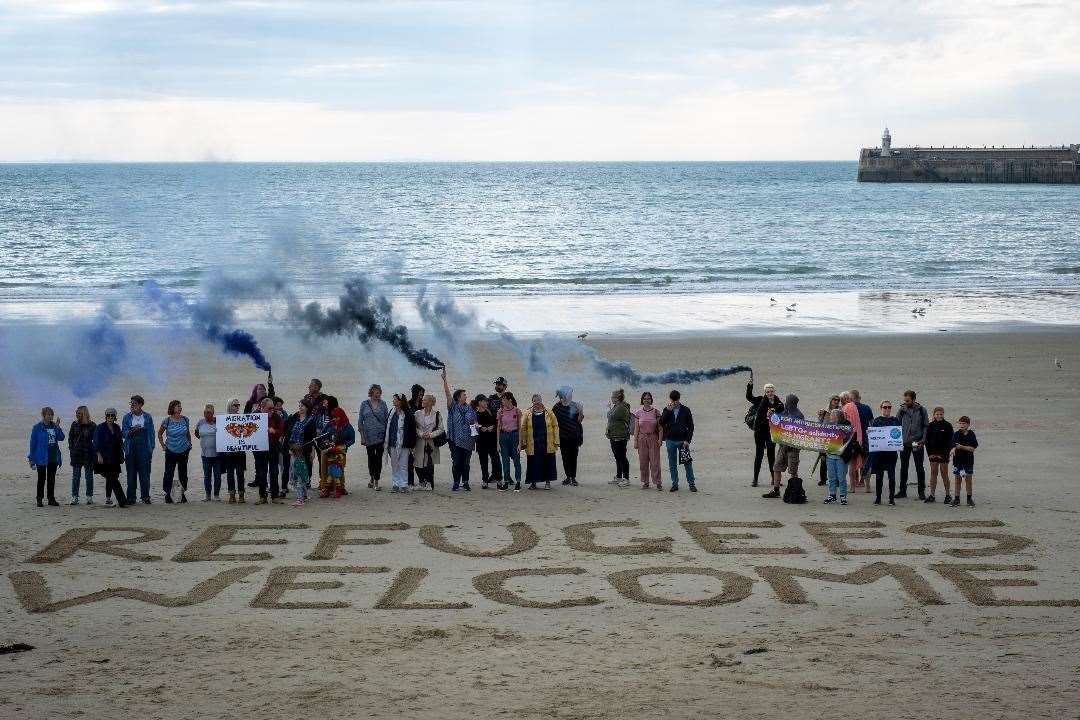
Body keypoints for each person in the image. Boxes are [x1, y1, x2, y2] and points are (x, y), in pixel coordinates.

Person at [441, 367, 477, 491]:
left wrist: (476, 428)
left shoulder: (470, 409)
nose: (466, 396)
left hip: (467, 440)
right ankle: (456, 482)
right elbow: (447, 394)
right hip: (455, 440)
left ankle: (465, 482)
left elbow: (473, 423)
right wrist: (444, 380)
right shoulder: (453, 407)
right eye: (464, 395)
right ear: (458, 397)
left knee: (466, 463)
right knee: (456, 462)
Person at [763, 393, 803, 499]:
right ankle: (776, 490)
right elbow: (777, 421)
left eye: (788, 402)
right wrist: (771, 415)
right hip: (783, 446)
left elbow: (801, 431)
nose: (786, 403)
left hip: (793, 448)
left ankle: (795, 490)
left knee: (793, 470)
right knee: (776, 467)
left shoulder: (798, 415)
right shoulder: (785, 412)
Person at [746, 377, 783, 487]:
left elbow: (783, 415)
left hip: (771, 433)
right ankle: (755, 479)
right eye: (768, 391)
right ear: (765, 392)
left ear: (774, 392)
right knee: (759, 455)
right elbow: (749, 397)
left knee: (771, 456)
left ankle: (774, 479)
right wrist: (750, 385)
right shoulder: (760, 400)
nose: (770, 393)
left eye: (771, 391)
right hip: (759, 431)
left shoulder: (779, 403)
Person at [659, 390, 696, 492]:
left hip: (682, 441)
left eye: (676, 400)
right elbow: (661, 422)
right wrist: (668, 411)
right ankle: (675, 483)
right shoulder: (667, 409)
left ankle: (691, 483)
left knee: (687, 463)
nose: (675, 402)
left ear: (679, 399)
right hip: (670, 440)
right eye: (673, 400)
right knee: (672, 463)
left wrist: (688, 440)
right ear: (670, 399)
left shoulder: (685, 410)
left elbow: (691, 426)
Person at [520, 394, 559, 490]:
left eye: (538, 400)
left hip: (547, 442)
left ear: (541, 401)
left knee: (548, 462)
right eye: (534, 401)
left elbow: (555, 426)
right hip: (532, 443)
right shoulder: (527, 413)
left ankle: (547, 482)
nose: (537, 402)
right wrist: (523, 442)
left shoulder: (549, 412)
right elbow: (523, 428)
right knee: (533, 463)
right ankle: (533, 483)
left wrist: (556, 440)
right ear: (532, 402)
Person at [28, 407, 64, 507]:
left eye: (51, 414)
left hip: (53, 456)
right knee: (41, 478)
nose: (50, 416)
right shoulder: (37, 427)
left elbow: (62, 437)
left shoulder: (54, 426)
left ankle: (51, 498)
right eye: (48, 414)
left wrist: (57, 427)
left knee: (51, 479)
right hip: (41, 457)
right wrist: (31, 459)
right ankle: (39, 499)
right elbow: (33, 444)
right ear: (43, 415)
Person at [157, 399, 192, 504]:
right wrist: (163, 445)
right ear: (172, 408)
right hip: (171, 450)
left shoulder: (185, 419)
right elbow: (159, 434)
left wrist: (189, 444)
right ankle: (168, 494)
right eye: (178, 406)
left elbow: (187, 433)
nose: (180, 408)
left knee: (183, 474)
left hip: (184, 451)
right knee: (168, 473)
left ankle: (182, 494)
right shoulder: (167, 421)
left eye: (180, 406)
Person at [122, 395, 155, 504]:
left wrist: (151, 448)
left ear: (140, 404)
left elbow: (151, 433)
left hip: (144, 447)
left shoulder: (147, 417)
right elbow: (124, 433)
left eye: (134, 403)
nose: (132, 405)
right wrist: (132, 431)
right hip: (130, 447)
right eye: (131, 403)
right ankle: (131, 497)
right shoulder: (127, 417)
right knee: (131, 473)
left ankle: (145, 497)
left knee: (144, 474)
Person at [897, 389, 929, 500]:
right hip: (905, 443)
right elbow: (896, 425)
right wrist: (897, 441)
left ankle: (921, 491)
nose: (906, 402)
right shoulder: (901, 410)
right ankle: (902, 491)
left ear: (914, 399)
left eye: (908, 401)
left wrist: (923, 439)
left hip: (917, 442)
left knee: (919, 467)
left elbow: (926, 426)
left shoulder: (922, 410)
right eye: (905, 400)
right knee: (904, 467)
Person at [93, 408, 127, 508]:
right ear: (106, 416)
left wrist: (122, 455)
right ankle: (122, 501)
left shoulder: (117, 427)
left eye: (112, 415)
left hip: (115, 457)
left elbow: (120, 442)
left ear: (115, 416)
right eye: (108, 415)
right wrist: (98, 455)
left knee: (112, 478)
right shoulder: (100, 427)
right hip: (103, 458)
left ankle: (108, 499)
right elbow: (96, 442)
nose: (110, 417)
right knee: (112, 478)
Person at [253, 397, 285, 504]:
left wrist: (274, 431)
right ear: (262, 407)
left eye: (273, 408)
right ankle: (263, 496)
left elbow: (281, 430)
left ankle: (274, 495)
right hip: (260, 448)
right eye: (269, 408)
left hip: (273, 446)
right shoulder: (255, 415)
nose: (272, 410)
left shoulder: (276, 416)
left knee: (274, 471)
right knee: (261, 472)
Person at [358, 384, 389, 490]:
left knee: (378, 459)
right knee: (371, 458)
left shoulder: (383, 404)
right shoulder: (364, 404)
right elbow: (360, 421)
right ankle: (371, 477)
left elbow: (387, 420)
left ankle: (376, 481)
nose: (378, 395)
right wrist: (362, 436)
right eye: (376, 393)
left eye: (379, 393)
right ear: (371, 393)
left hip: (381, 436)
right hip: (368, 437)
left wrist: (387, 436)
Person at [870, 400, 901, 505]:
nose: (887, 409)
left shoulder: (895, 420)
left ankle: (891, 499)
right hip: (879, 453)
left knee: (892, 476)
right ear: (881, 408)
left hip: (891, 453)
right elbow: (873, 435)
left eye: (889, 407)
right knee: (879, 477)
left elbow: (898, 434)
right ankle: (878, 498)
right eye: (885, 407)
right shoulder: (876, 421)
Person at [552, 386, 584, 486]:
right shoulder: (557, 407)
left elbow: (579, 420)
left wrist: (581, 411)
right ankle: (568, 477)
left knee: (573, 457)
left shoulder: (575, 405)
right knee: (565, 457)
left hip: (574, 436)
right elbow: (553, 421)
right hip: (563, 437)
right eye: (569, 393)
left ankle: (573, 477)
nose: (570, 395)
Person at [385, 393, 417, 493]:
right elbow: (388, 428)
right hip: (392, 443)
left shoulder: (408, 414)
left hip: (404, 443)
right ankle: (395, 484)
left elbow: (412, 430)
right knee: (394, 464)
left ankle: (403, 484)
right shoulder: (391, 412)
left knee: (403, 465)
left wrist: (412, 444)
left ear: (400, 401)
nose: (393, 401)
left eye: (395, 399)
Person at [322, 406, 355, 499]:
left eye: (337, 417)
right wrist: (327, 443)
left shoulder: (347, 426)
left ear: (341, 416)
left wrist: (345, 445)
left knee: (339, 470)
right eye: (334, 417)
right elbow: (322, 435)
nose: (335, 419)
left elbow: (352, 439)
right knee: (328, 470)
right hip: (329, 451)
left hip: (340, 452)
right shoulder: (330, 424)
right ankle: (327, 489)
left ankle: (341, 488)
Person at [413, 393, 445, 490]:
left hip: (431, 443)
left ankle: (429, 484)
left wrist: (431, 435)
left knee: (429, 464)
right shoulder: (417, 413)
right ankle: (422, 482)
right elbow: (414, 427)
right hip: (420, 442)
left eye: (424, 400)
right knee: (417, 463)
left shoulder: (437, 414)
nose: (422, 401)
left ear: (430, 402)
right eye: (422, 400)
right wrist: (421, 434)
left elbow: (441, 429)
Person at [632, 391, 663, 490]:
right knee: (643, 462)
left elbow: (660, 428)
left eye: (648, 398)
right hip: (642, 438)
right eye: (645, 398)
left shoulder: (656, 412)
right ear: (642, 400)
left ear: (651, 400)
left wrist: (660, 439)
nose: (647, 400)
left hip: (653, 438)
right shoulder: (638, 413)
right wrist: (635, 441)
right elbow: (636, 428)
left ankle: (658, 482)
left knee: (655, 462)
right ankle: (645, 482)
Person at [67, 405, 97, 505]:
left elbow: (96, 440)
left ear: (84, 414)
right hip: (76, 454)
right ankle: (75, 497)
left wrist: (95, 451)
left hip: (88, 454)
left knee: (88, 476)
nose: (77, 415)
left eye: (79, 413)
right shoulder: (74, 424)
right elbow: (70, 438)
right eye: (76, 413)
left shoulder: (92, 425)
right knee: (76, 476)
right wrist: (71, 449)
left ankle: (89, 496)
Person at [284, 399, 317, 489]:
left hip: (305, 449)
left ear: (307, 407)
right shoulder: (294, 417)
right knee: (295, 469)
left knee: (305, 469)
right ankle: (300, 493)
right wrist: (289, 446)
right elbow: (289, 431)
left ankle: (302, 494)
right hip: (294, 448)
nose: (300, 407)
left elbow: (313, 437)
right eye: (299, 406)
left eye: (302, 406)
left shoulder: (311, 420)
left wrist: (313, 451)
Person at [924, 406, 954, 504]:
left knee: (944, 473)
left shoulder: (948, 425)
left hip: (944, 454)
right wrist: (930, 454)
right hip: (933, 454)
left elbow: (951, 442)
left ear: (943, 414)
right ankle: (932, 495)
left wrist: (945, 454)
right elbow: (927, 441)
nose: (939, 416)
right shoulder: (931, 425)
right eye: (937, 414)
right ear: (934, 415)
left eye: (941, 414)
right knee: (933, 473)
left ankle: (948, 495)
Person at [220, 397, 247, 504]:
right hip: (228, 452)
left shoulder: (242, 418)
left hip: (240, 451)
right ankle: (232, 494)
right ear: (230, 406)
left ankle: (241, 494)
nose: (237, 407)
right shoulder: (224, 419)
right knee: (230, 474)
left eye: (238, 405)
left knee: (240, 474)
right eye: (235, 405)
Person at [823, 408, 852, 505]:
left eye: (832, 416)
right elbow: (819, 432)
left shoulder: (846, 427)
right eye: (831, 415)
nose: (830, 417)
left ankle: (843, 496)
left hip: (841, 457)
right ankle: (832, 495)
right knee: (831, 477)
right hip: (830, 455)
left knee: (841, 477)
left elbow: (849, 437)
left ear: (837, 417)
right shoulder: (828, 426)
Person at [840, 392, 866, 493]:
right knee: (860, 461)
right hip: (858, 437)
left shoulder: (846, 407)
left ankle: (852, 487)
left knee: (851, 463)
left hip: (850, 438)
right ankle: (864, 484)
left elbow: (844, 424)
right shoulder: (854, 406)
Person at [606, 388, 632, 487]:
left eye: (613, 396)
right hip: (614, 435)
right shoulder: (616, 406)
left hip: (620, 436)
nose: (611, 398)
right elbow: (610, 415)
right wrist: (610, 409)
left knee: (622, 457)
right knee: (617, 457)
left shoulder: (621, 407)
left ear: (618, 398)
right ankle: (619, 477)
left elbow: (611, 416)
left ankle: (626, 478)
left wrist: (609, 409)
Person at [950, 415, 979, 507]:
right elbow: (953, 445)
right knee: (957, 480)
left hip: (968, 461)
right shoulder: (956, 434)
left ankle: (969, 499)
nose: (962, 425)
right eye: (960, 423)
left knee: (968, 480)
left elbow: (972, 449)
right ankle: (957, 499)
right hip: (958, 461)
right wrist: (953, 450)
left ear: (968, 425)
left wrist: (961, 447)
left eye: (964, 423)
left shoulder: (971, 434)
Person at [497, 391, 523, 491]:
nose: (502, 401)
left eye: (504, 399)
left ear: (509, 400)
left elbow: (520, 428)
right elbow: (498, 428)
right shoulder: (500, 411)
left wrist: (520, 443)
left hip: (514, 436)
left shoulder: (517, 411)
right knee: (505, 461)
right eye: (502, 399)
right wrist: (497, 443)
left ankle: (518, 481)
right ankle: (506, 482)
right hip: (504, 436)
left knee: (516, 460)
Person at [194, 403, 221, 501]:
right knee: (207, 476)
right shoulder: (200, 422)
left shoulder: (218, 422)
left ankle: (217, 494)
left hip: (217, 455)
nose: (207, 414)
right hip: (205, 454)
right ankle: (208, 495)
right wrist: (205, 442)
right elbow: (196, 433)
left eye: (209, 413)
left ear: (213, 413)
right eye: (205, 412)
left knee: (217, 476)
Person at [472, 395, 499, 489]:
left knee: (495, 460)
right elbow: (473, 425)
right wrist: (480, 428)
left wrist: (493, 427)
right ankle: (485, 480)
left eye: (486, 401)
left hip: (492, 440)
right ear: (479, 402)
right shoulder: (475, 413)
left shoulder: (491, 411)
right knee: (483, 462)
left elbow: (497, 423)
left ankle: (499, 479)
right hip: (481, 441)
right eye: (484, 401)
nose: (486, 403)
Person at [815, 395, 842, 486]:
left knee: (836, 460)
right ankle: (823, 479)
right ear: (831, 401)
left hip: (836, 439)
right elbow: (819, 424)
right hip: (825, 439)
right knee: (823, 459)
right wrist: (819, 416)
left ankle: (837, 480)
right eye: (835, 400)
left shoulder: (840, 411)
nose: (836, 401)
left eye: (838, 400)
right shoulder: (824, 412)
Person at [486, 377, 507, 486]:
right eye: (496, 384)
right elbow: (487, 411)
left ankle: (507, 476)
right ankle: (495, 474)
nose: (497, 386)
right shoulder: (491, 398)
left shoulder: (509, 397)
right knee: (494, 454)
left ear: (504, 386)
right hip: (493, 431)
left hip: (505, 431)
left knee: (506, 454)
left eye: (499, 384)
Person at [851, 389, 874, 484]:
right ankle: (864, 483)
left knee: (853, 462)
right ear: (859, 398)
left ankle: (855, 483)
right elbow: (871, 423)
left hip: (853, 439)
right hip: (865, 438)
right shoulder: (867, 408)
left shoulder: (849, 408)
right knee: (865, 461)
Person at [407, 384, 426, 486]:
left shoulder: (423, 405)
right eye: (419, 394)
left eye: (422, 394)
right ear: (414, 393)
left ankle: (422, 480)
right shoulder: (408, 405)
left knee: (420, 460)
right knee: (410, 460)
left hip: (421, 436)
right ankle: (410, 482)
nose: (421, 396)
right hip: (411, 436)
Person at [272, 397, 290, 496]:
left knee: (283, 466)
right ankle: (272, 486)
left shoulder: (284, 414)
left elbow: (287, 427)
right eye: (278, 406)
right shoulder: (270, 416)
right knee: (273, 467)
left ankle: (284, 485)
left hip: (282, 443)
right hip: (273, 444)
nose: (280, 408)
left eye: (281, 405)